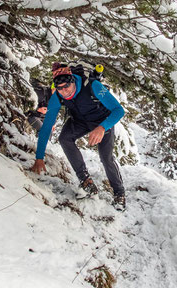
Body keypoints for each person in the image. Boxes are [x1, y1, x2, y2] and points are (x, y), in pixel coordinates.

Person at [31, 62, 126, 210]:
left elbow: (118, 110)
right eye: (60, 88)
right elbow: (47, 127)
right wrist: (39, 157)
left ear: (73, 80)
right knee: (64, 139)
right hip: (79, 120)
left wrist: (102, 127)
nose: (64, 91)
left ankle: (119, 193)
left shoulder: (93, 86)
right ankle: (86, 181)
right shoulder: (57, 97)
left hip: (102, 121)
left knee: (106, 158)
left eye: (67, 86)